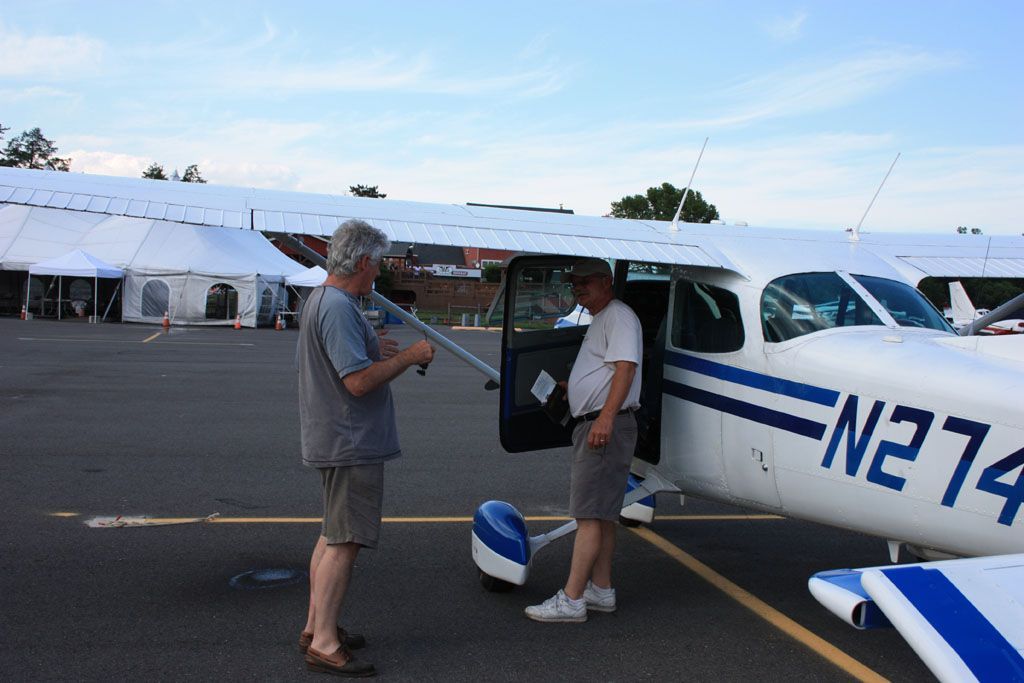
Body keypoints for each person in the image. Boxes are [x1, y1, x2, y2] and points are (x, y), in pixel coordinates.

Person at [297, 219, 435, 676]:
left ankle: (316, 625)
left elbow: (350, 363)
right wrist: (407, 358)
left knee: (331, 534)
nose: (379, 272)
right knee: (345, 541)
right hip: (349, 441)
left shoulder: (325, 298)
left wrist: (377, 349)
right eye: (377, 264)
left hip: (336, 436)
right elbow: (356, 383)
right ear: (361, 262)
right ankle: (324, 642)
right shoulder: (337, 306)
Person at [525, 259, 642, 623]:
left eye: (585, 282)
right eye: (573, 283)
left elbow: (626, 367)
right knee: (603, 515)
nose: (577, 288)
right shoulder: (603, 317)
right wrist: (571, 389)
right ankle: (601, 590)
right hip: (600, 423)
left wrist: (604, 417)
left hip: (605, 427)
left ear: (606, 282)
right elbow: (607, 370)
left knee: (588, 515)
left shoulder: (619, 316)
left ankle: (572, 599)